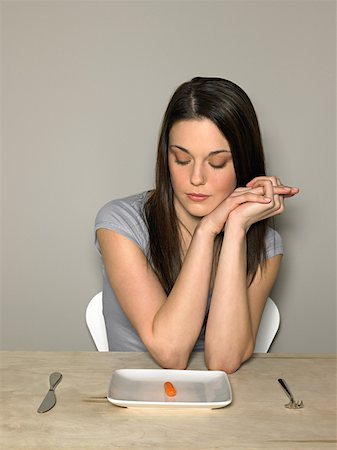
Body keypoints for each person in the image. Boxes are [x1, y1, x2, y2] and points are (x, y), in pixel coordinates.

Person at [95, 77, 299, 373]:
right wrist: (207, 231)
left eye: (217, 163)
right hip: (135, 399)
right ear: (165, 157)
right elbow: (171, 352)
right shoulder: (119, 224)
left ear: (243, 163)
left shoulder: (266, 247)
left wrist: (235, 230)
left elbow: (223, 362)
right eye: (181, 159)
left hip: (220, 401)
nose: (196, 179)